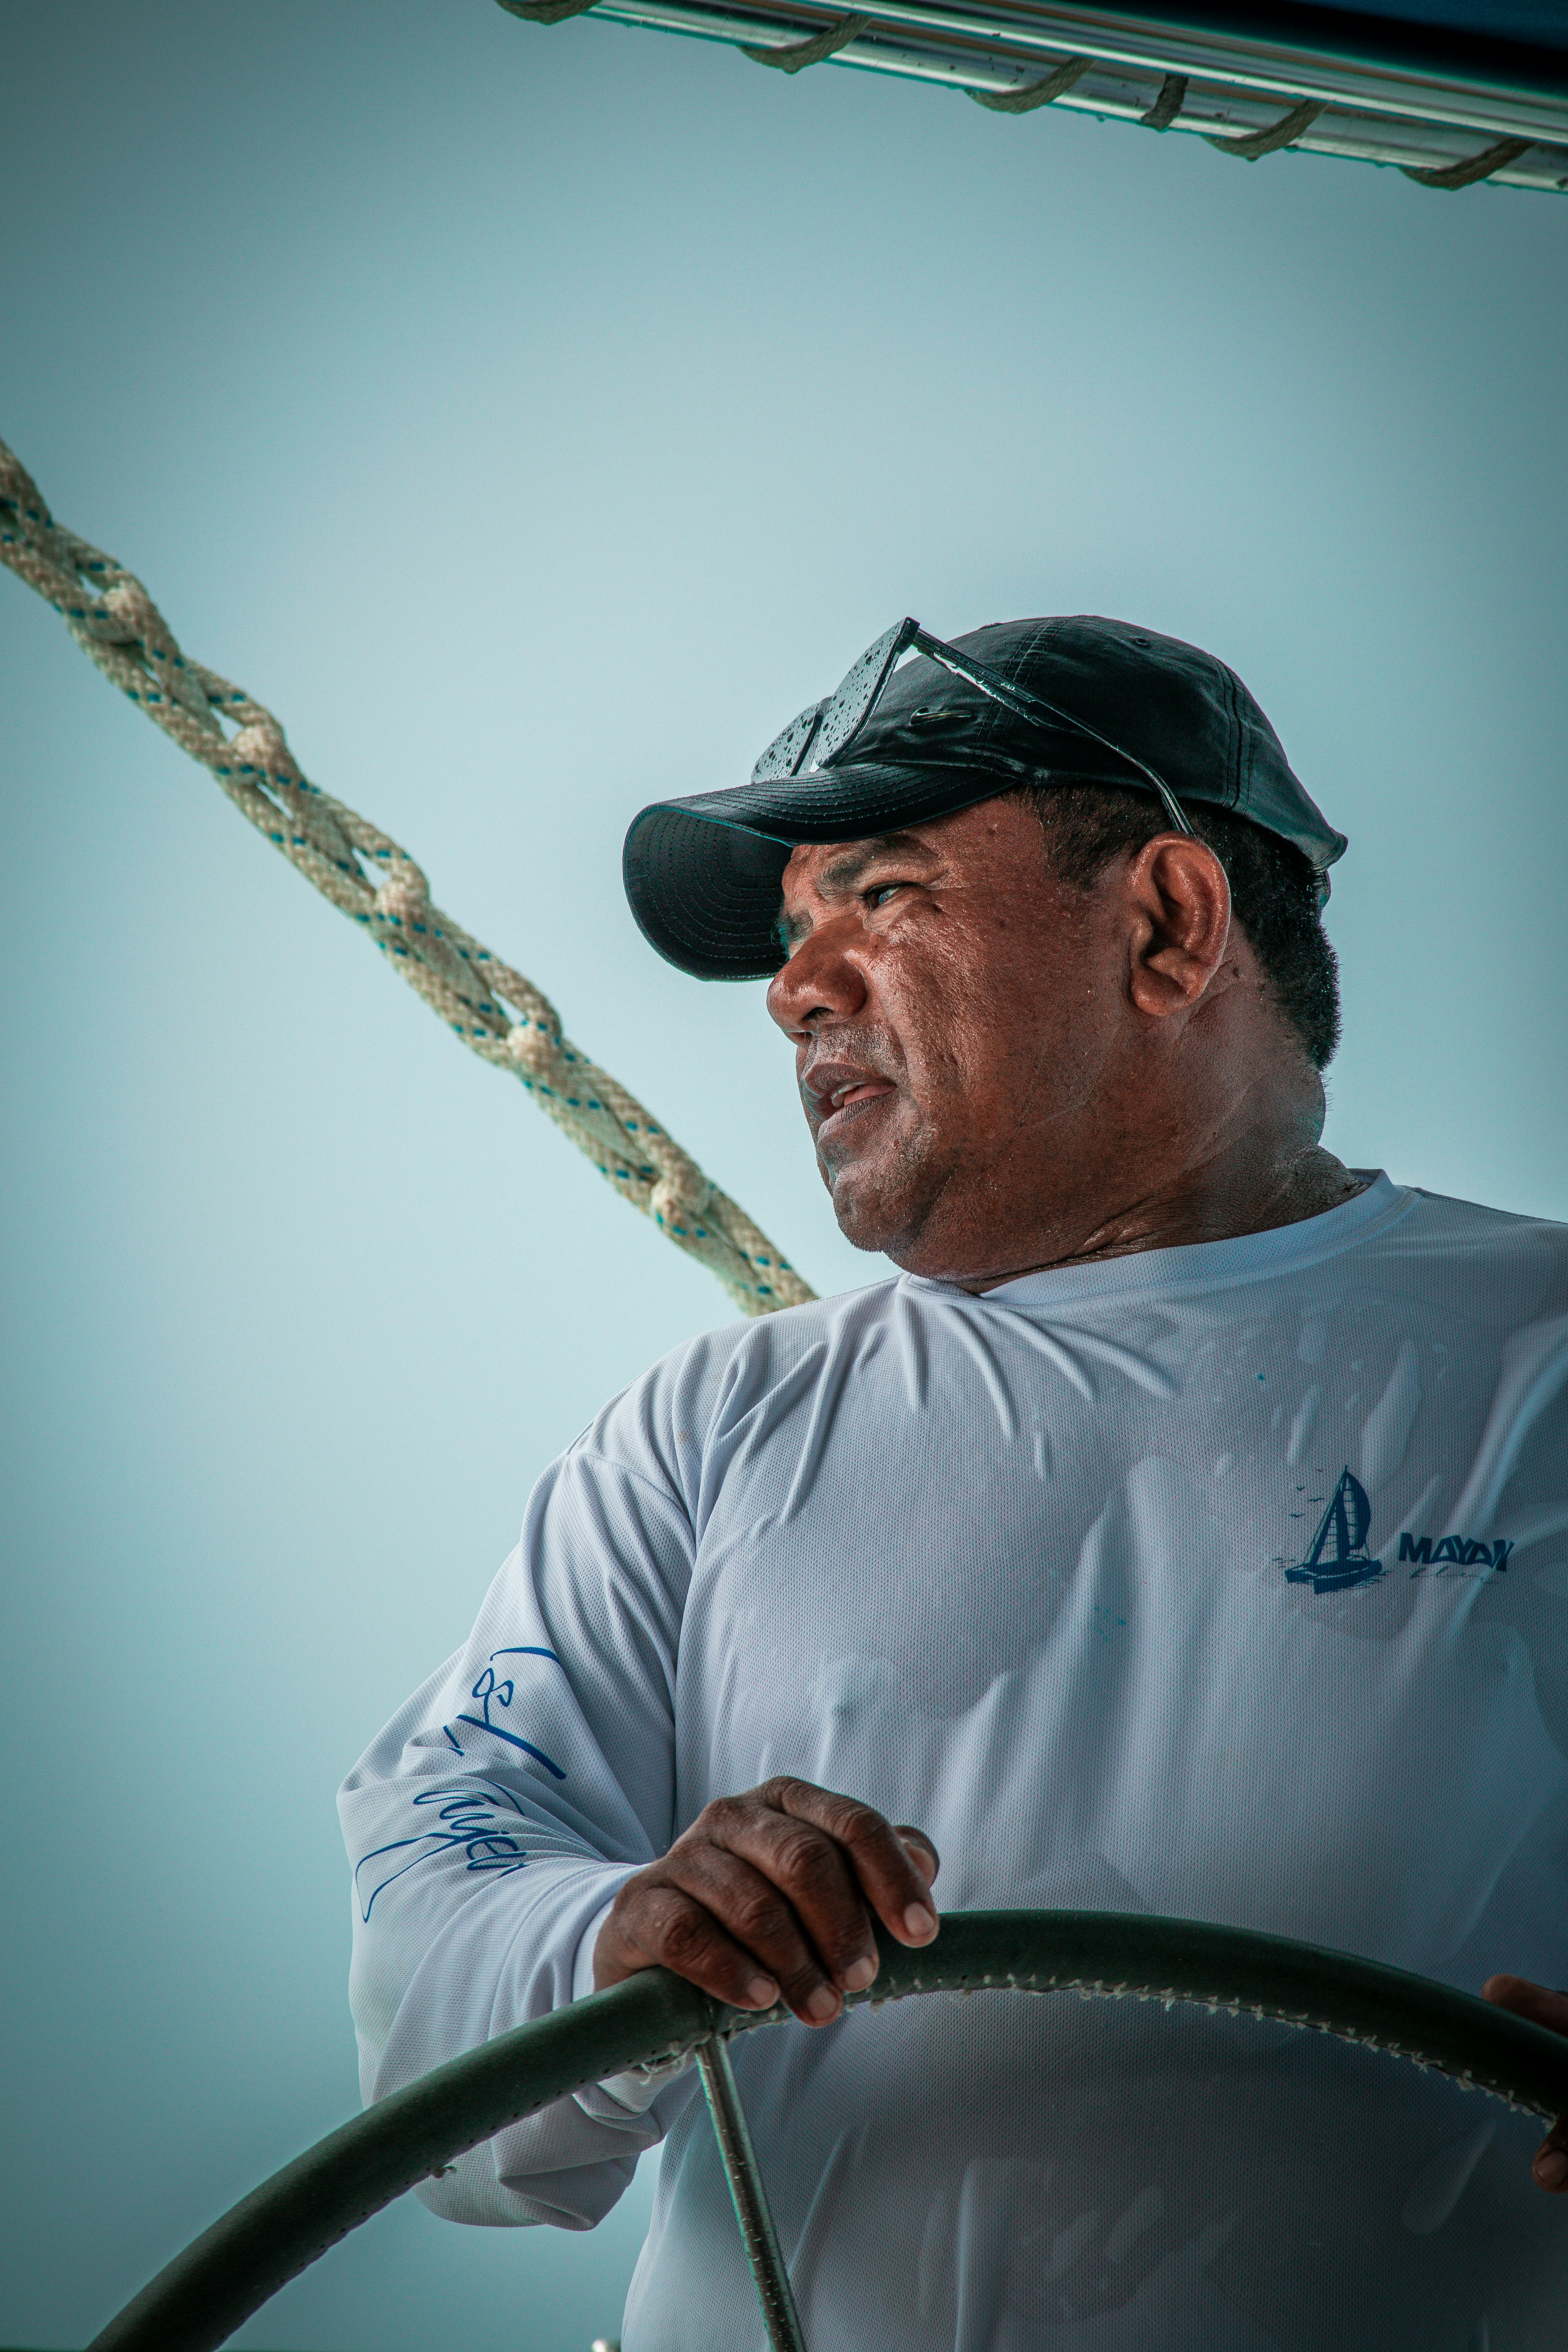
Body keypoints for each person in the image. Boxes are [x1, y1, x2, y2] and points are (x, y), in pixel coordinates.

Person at [340, 615, 1568, 2351]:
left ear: (1166, 922)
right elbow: (429, 1954)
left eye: (882, 896)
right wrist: (614, 1930)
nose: (792, 988)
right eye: (789, 934)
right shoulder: (707, 1429)